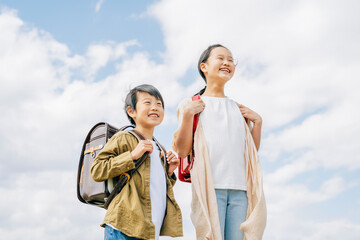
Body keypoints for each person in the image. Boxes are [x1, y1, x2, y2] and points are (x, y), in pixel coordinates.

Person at [172, 44, 266, 240]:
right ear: (204, 67)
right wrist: (188, 114)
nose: (227, 63)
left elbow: (249, 153)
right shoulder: (191, 105)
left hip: (241, 189)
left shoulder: (238, 109)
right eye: (221, 58)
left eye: (231, 60)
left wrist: (257, 123)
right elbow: (182, 151)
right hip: (210, 188)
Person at [91, 84, 183, 240]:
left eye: (159, 104)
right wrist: (131, 155)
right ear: (131, 111)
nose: (155, 107)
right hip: (124, 226)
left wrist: (169, 172)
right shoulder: (125, 137)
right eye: (148, 103)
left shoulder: (159, 147)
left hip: (148, 229)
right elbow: (97, 170)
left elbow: (151, 187)